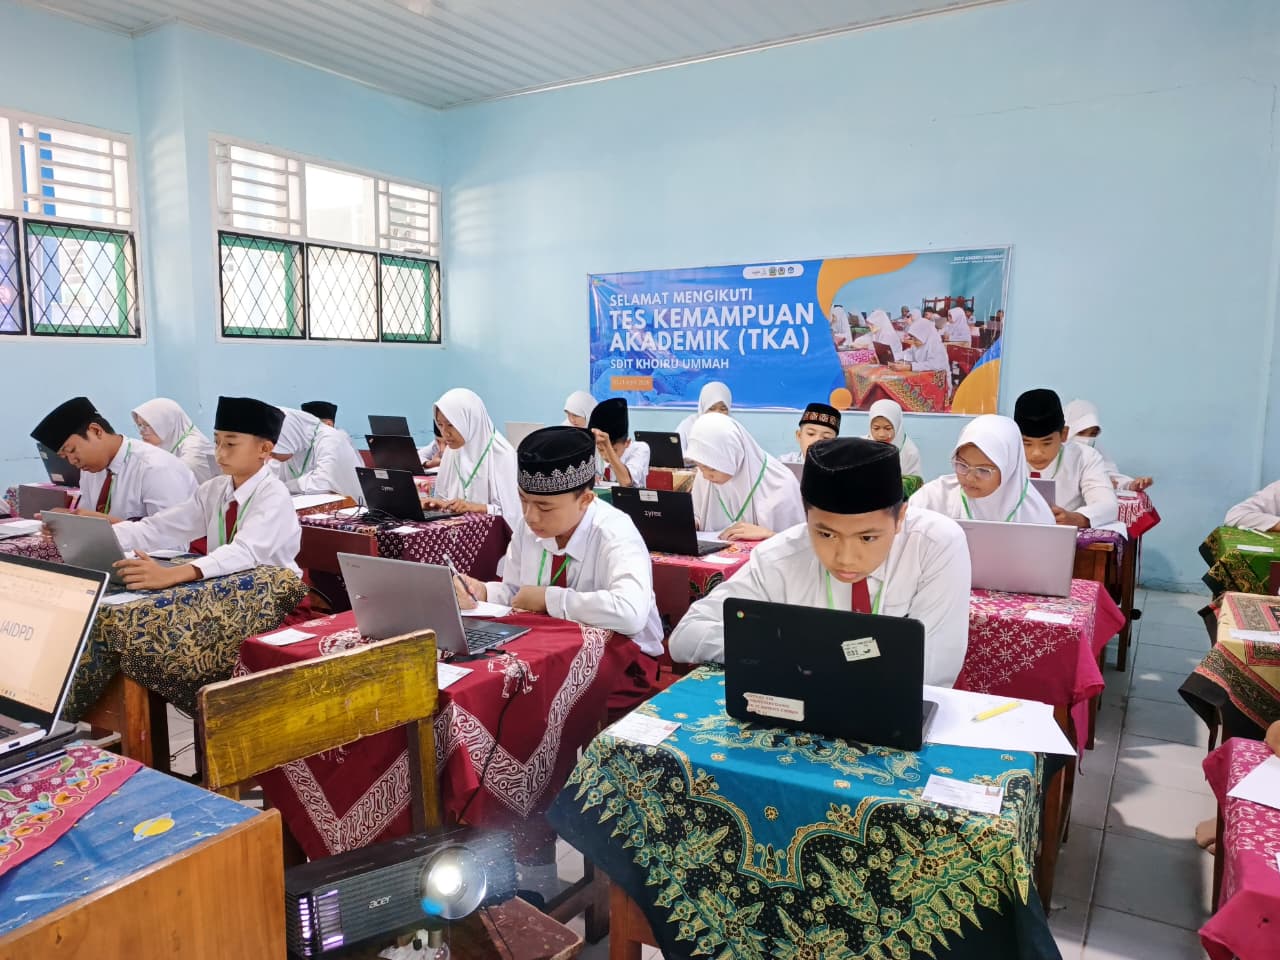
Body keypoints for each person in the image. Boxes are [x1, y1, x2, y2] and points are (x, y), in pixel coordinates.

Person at [669, 437, 971, 686]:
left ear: (900, 518)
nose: (846, 558)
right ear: (806, 517)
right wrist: (787, 653)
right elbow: (686, 636)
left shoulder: (934, 546)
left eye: (868, 537)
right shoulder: (781, 556)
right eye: (826, 534)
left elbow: (931, 671)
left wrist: (821, 661)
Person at [452, 426, 663, 709]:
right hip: (547, 651)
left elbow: (630, 614)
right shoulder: (529, 528)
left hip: (620, 661)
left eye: (545, 507)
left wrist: (549, 599)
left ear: (586, 500)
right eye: (523, 501)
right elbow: (517, 594)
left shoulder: (615, 532)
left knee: (527, 704)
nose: (530, 516)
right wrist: (482, 591)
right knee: (482, 689)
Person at [112, 396, 302, 590]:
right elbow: (161, 528)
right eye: (216, 442)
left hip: (278, 592)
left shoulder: (274, 494)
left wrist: (171, 574)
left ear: (264, 449)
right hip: (227, 588)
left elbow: (245, 552)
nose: (220, 453)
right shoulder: (214, 489)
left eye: (230, 444)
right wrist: (107, 537)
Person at [32, 396, 196, 525]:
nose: (72, 461)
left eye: (71, 451)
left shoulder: (155, 468)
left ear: (96, 431)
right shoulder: (90, 470)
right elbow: (86, 520)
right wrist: (68, 524)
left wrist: (103, 523)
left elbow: (173, 543)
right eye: (64, 457)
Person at [911, 415, 1054, 523]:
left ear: (1008, 471)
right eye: (962, 465)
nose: (969, 477)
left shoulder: (1036, 515)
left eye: (984, 470)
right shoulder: (933, 498)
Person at [686, 413, 803, 541]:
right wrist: (692, 522)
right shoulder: (704, 476)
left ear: (734, 454)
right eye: (700, 467)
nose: (705, 476)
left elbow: (801, 543)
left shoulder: (781, 483)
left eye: (712, 468)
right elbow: (697, 513)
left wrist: (769, 534)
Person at [1014, 388, 1119, 530]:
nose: (1036, 453)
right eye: (1026, 443)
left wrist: (1077, 518)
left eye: (1046, 443)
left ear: (1064, 434)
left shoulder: (1084, 457)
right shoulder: (1007, 458)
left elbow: (1107, 505)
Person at [426, 388, 521, 518]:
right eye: (440, 425)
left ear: (471, 420)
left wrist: (473, 507)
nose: (445, 433)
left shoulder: (503, 454)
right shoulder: (452, 452)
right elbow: (443, 497)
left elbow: (513, 514)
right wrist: (438, 504)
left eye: (451, 425)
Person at [272, 407, 362, 500]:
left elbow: (323, 482)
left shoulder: (332, 439)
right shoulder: (292, 446)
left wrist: (285, 486)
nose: (269, 451)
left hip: (347, 505)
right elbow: (270, 481)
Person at [1064, 399, 1154, 492]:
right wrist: (1098, 483)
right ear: (1066, 432)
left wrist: (1130, 485)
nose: (1087, 439)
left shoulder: (1096, 451)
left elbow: (1111, 476)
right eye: (1081, 432)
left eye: (1093, 434)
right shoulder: (1057, 454)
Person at [132, 397, 219, 484]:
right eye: (139, 425)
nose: (141, 431)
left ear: (167, 422)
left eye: (147, 425)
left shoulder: (195, 448)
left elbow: (173, 481)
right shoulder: (164, 444)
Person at [588, 398, 649, 487]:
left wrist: (608, 446)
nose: (605, 456)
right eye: (601, 450)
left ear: (627, 443)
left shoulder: (640, 448)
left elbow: (626, 482)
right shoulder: (595, 445)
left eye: (614, 450)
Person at [864, 399, 923, 477]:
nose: (881, 434)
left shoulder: (909, 452)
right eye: (876, 428)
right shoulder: (861, 448)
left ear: (897, 426)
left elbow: (916, 480)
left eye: (888, 428)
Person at [675, 381, 732, 451]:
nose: (717, 413)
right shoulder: (688, 425)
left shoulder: (734, 431)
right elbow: (675, 452)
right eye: (711, 409)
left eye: (723, 409)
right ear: (703, 408)